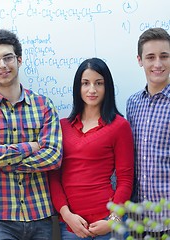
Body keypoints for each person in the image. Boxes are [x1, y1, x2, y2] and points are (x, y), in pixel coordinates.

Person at [0, 29, 63, 240]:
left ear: (19, 59)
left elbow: (53, 156)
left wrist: (3, 163)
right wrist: (31, 147)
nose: (2, 65)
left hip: (40, 212)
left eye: (8, 57)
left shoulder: (44, 105)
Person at [49, 58, 134, 239]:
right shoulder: (62, 126)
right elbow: (54, 177)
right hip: (72, 226)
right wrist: (66, 215)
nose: (92, 90)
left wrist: (114, 220)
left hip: (107, 223)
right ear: (77, 88)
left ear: (107, 87)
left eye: (99, 83)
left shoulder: (120, 126)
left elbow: (125, 179)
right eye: (85, 83)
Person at [126, 27, 170, 236]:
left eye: (164, 56)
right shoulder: (133, 103)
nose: (158, 64)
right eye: (150, 57)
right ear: (140, 60)